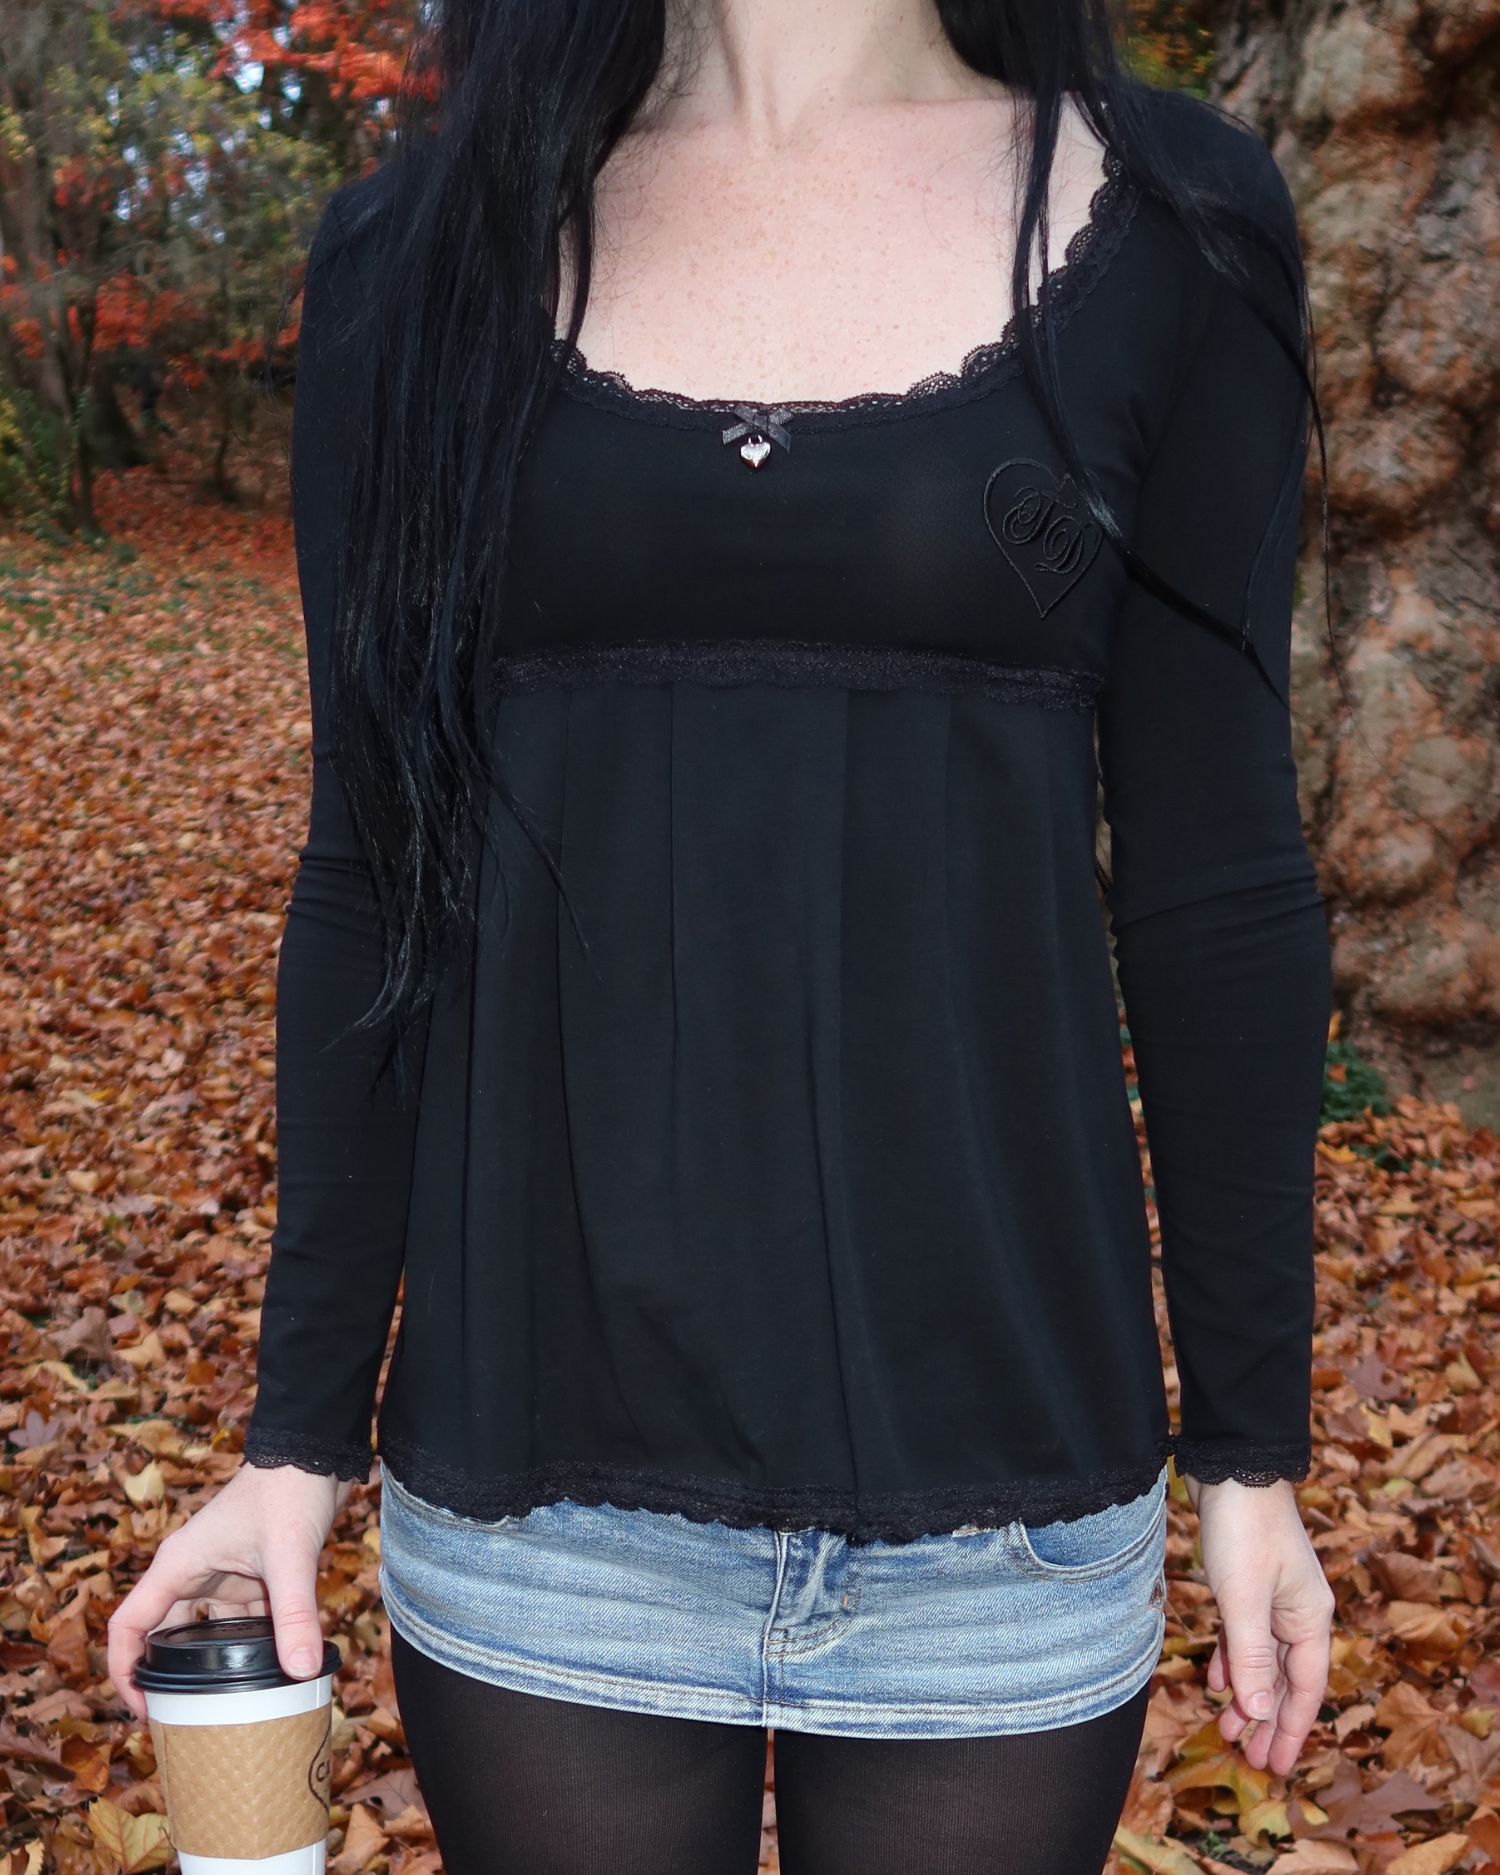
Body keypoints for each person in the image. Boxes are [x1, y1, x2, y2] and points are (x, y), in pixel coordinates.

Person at [109, 0, 1337, 1866]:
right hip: (540, 1510)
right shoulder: (410, 257)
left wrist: (1251, 1446)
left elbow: (1217, 876)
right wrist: (298, 1432)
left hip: (1000, 1512)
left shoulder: (1177, 224)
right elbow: (372, 868)